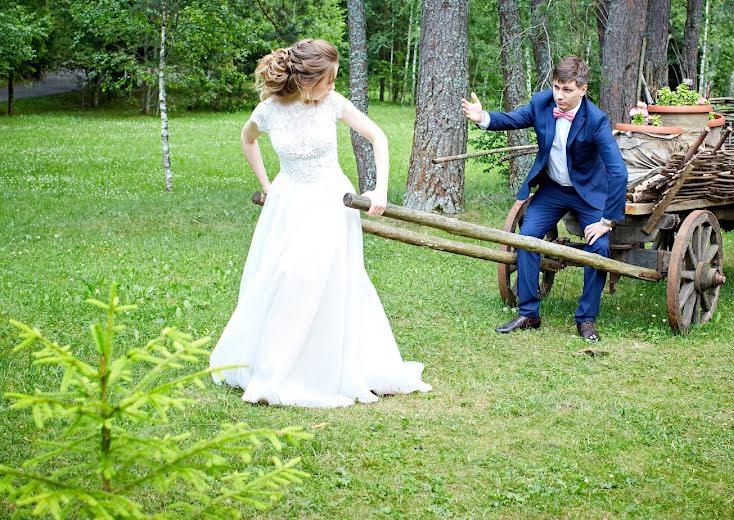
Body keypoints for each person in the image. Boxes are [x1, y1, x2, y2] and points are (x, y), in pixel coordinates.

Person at [210, 38, 431, 407]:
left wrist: (378, 190)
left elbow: (377, 136)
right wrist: (267, 185)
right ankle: (278, 365)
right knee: (286, 277)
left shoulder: (333, 103)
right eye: (329, 77)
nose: (333, 83)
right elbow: (247, 140)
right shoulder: (269, 110)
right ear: (308, 78)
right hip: (288, 204)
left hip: (330, 202)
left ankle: (328, 366)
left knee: (325, 278)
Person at [461, 56, 627, 341]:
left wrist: (606, 221)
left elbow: (618, 173)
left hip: (588, 193)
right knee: (527, 238)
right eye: (556, 88)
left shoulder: (596, 120)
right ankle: (528, 313)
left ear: (583, 89)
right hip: (552, 189)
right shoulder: (542, 103)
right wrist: (483, 118)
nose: (559, 96)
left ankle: (586, 319)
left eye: (567, 90)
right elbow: (513, 119)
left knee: (598, 249)